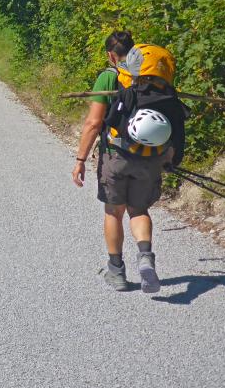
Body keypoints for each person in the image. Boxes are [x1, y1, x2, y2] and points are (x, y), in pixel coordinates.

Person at [71, 31, 185, 293]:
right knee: (139, 210)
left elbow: (93, 123)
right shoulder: (155, 79)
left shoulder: (109, 76)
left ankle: (117, 271)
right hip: (150, 157)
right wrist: (169, 155)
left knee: (114, 210)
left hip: (117, 155)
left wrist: (80, 159)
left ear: (111, 55)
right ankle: (145, 257)